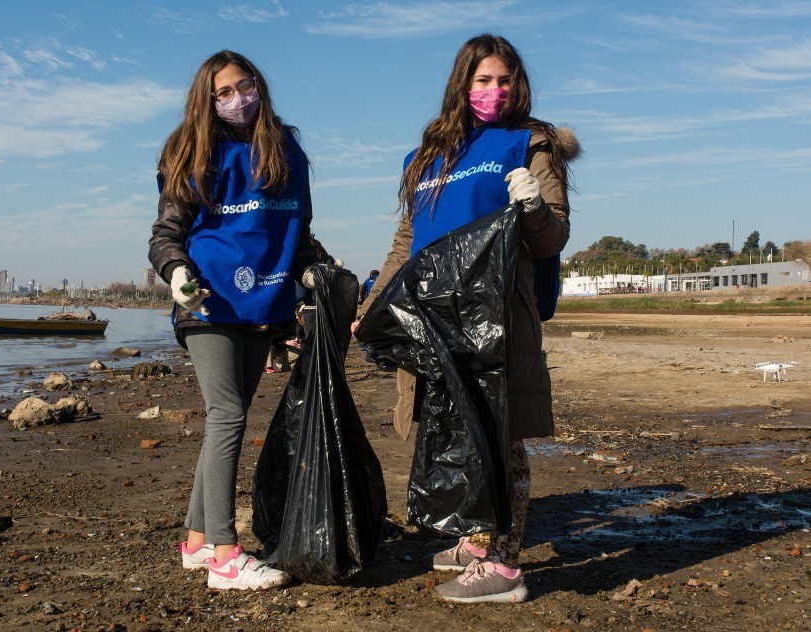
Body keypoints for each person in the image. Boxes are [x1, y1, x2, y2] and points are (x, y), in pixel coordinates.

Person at [356, 34, 580, 603]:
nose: (495, 91)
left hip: (495, 317)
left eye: (504, 80)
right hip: (433, 320)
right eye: (484, 80)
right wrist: (370, 307)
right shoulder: (430, 155)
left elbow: (554, 234)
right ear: (463, 84)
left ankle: (505, 567)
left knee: (499, 433)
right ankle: (479, 542)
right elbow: (405, 242)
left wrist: (530, 203)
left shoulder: (530, 143)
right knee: (457, 430)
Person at [148, 50, 324, 591]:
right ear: (207, 100)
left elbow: (295, 230)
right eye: (223, 92)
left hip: (263, 303)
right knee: (226, 416)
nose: (237, 98)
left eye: (244, 86)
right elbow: (165, 235)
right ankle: (227, 552)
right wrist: (176, 273)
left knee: (230, 413)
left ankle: (197, 541)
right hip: (208, 300)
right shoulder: (191, 151)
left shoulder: (285, 151)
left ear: (259, 86)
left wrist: (317, 273)